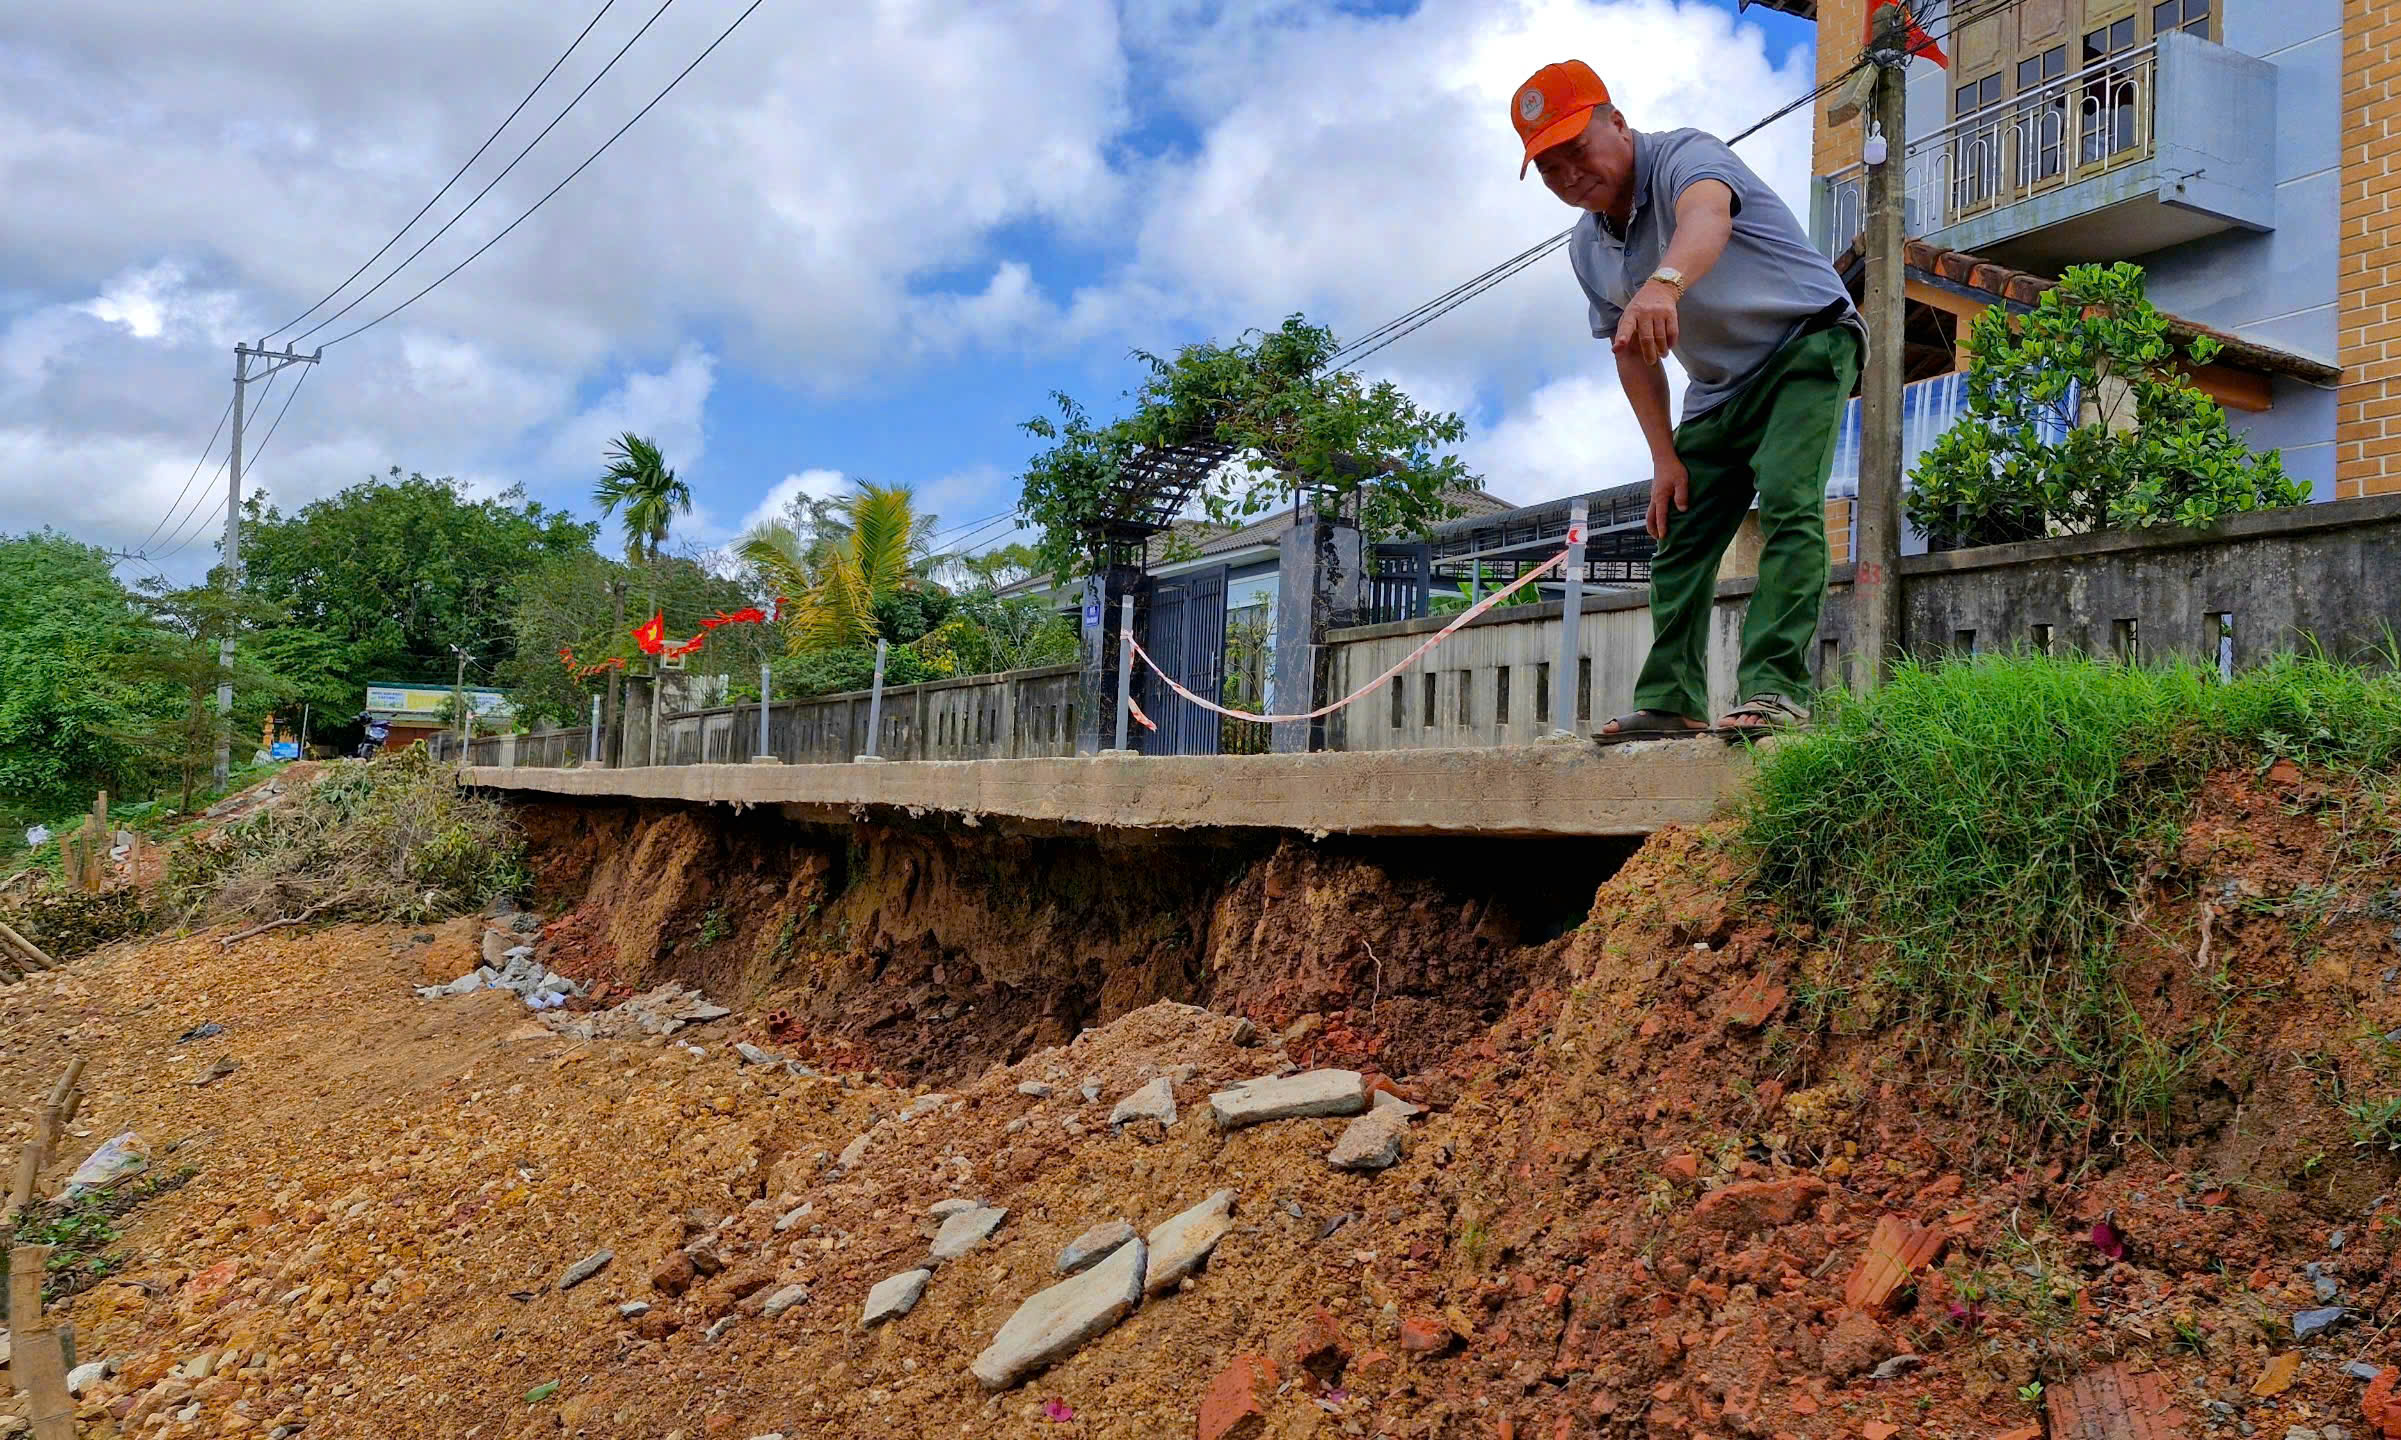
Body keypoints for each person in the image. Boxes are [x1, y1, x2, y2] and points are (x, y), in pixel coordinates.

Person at [1511, 60, 1863, 736]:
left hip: (1804, 341)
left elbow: (1706, 216)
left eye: (1575, 149)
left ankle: (1774, 692)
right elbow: (1630, 351)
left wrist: (1665, 282)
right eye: (1548, 168)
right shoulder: (1586, 248)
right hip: (1718, 388)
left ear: (1616, 123)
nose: (1568, 175)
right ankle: (1672, 701)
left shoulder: (1684, 155)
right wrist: (1663, 458)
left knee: (1789, 503)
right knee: (1677, 531)